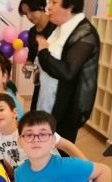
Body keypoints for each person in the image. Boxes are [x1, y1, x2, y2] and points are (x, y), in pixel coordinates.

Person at [35, 0, 100, 144]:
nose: (48, 7)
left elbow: (67, 72)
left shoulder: (85, 33)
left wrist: (44, 53)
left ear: (70, 6)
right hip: (47, 96)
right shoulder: (57, 27)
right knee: (41, 144)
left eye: (54, 2)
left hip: (67, 105)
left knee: (59, 149)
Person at [0, 93, 88, 180]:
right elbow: (6, 161)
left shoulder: (32, 129)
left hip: (52, 175)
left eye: (1, 109)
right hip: (26, 180)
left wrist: (87, 168)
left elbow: (67, 146)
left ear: (14, 113)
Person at [18, 0, 57, 110]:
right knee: (36, 112)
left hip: (55, 80)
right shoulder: (32, 32)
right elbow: (32, 54)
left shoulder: (56, 26)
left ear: (41, 6)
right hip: (40, 80)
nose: (29, 16)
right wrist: (29, 63)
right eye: (26, 13)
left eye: (31, 10)